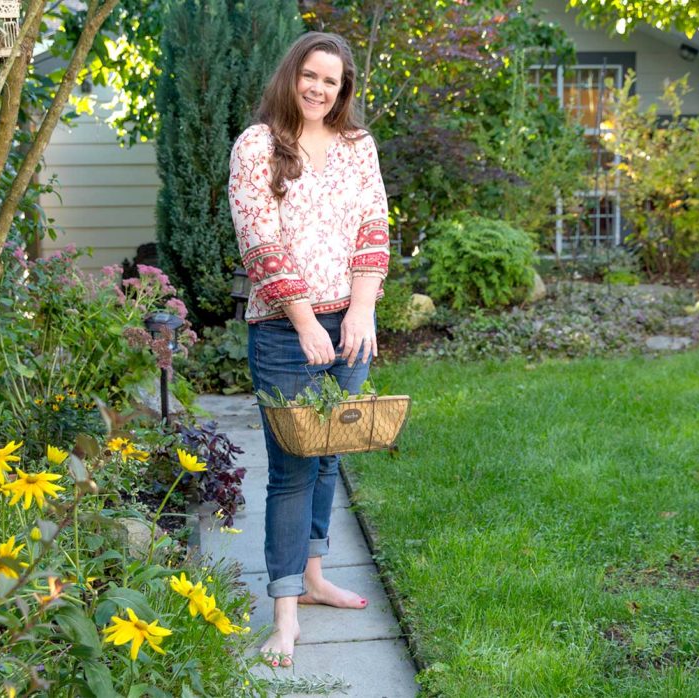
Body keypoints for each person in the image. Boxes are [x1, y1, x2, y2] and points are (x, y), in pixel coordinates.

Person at [227, 32, 390, 667]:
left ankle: (316, 576)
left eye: (334, 81)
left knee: (329, 461)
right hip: (283, 328)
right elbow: (260, 244)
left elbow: (374, 225)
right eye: (311, 76)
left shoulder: (357, 146)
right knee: (294, 469)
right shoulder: (257, 145)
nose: (321, 90)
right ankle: (285, 612)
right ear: (291, 74)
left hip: (351, 324)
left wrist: (361, 307)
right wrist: (304, 321)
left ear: (344, 89)